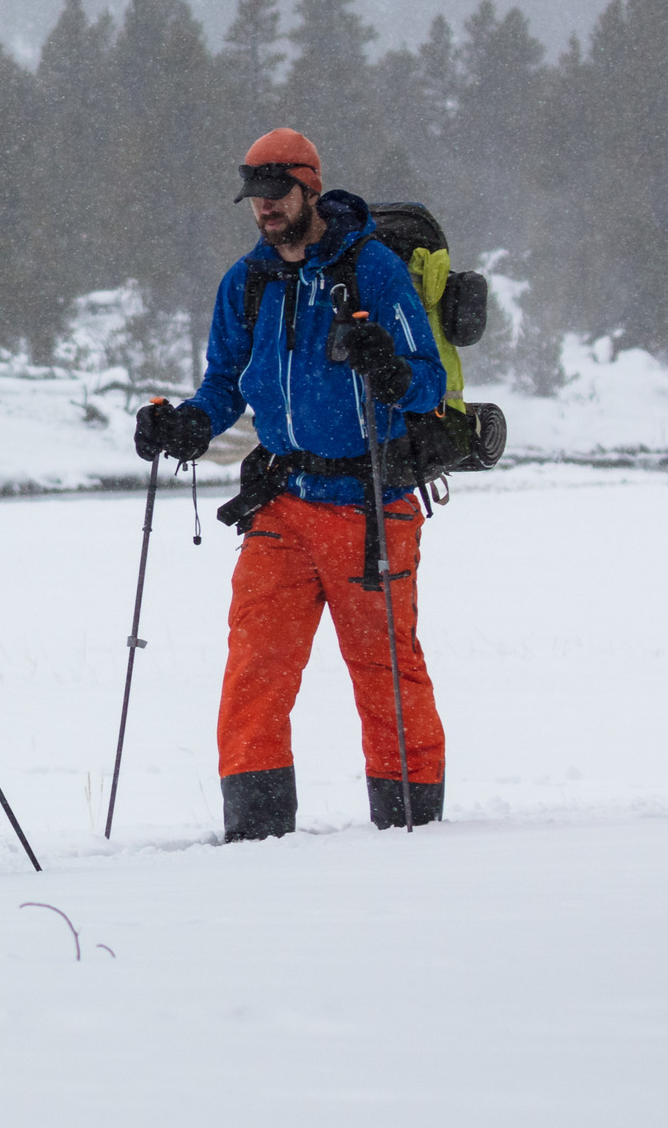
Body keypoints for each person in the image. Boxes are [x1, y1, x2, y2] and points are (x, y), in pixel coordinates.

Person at [130, 127, 450, 839]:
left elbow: (425, 383)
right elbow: (223, 387)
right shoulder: (243, 282)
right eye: (254, 197)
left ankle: (410, 826)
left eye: (276, 194)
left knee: (384, 671)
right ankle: (255, 832)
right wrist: (184, 425)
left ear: (309, 187)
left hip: (369, 503)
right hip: (280, 506)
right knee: (254, 669)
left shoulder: (372, 270)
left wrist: (389, 369)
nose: (264, 209)